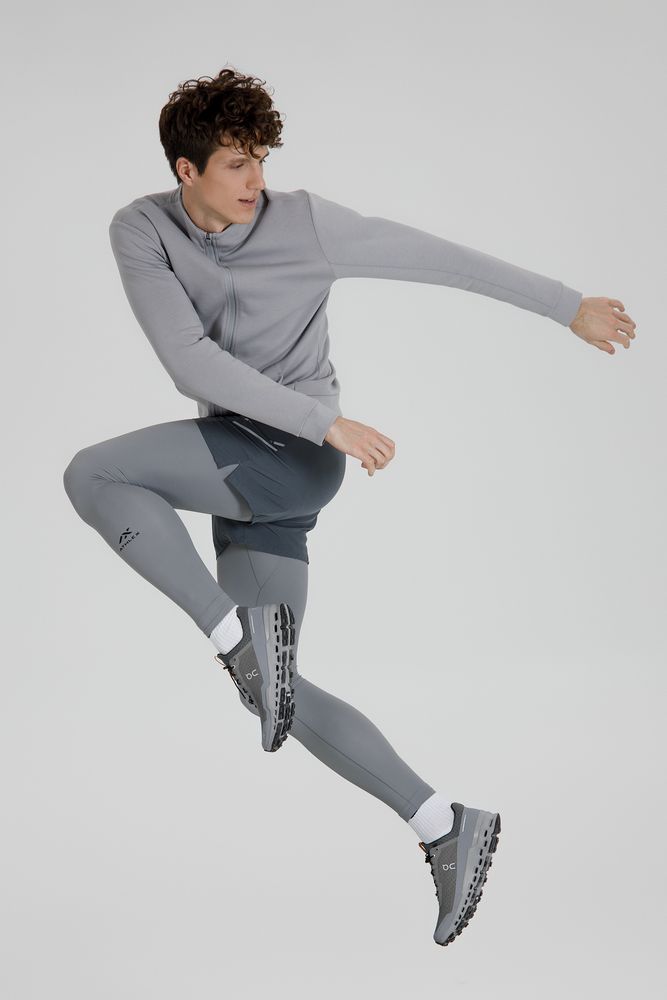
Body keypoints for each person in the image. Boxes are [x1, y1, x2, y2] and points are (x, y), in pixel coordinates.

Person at [62, 66, 637, 947]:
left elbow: (443, 260)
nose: (255, 181)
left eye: (261, 160)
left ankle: (233, 638)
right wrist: (321, 421)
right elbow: (188, 361)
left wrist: (567, 309)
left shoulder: (305, 223)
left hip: (291, 459)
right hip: (251, 456)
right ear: (186, 170)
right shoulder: (142, 229)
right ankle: (443, 824)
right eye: (235, 164)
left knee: (94, 476)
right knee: (275, 697)